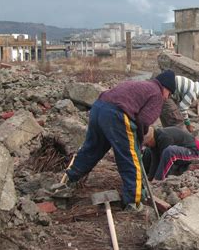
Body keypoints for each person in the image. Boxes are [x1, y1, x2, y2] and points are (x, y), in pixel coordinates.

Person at [64, 70, 176, 211]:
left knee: (92, 148)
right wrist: (138, 142)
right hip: (116, 114)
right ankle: (133, 201)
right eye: (169, 94)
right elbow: (144, 120)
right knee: (129, 157)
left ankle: (69, 180)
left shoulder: (142, 85)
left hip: (98, 108)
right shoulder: (157, 94)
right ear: (165, 88)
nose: (167, 98)